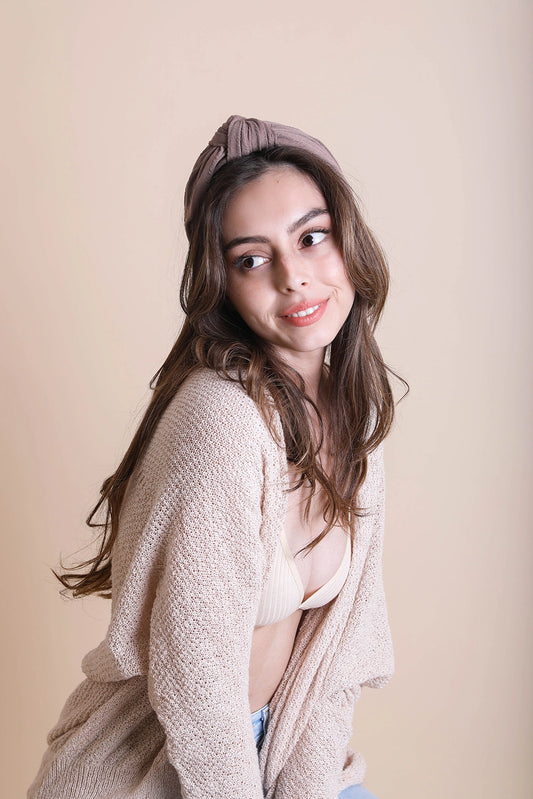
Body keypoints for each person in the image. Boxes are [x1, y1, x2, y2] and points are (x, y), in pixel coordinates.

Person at [27, 115, 404, 799]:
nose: (293, 277)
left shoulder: (353, 427)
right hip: (153, 768)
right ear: (222, 284)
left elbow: (332, 670)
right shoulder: (220, 418)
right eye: (251, 259)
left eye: (311, 237)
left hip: (273, 750)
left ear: (348, 242)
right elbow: (195, 685)